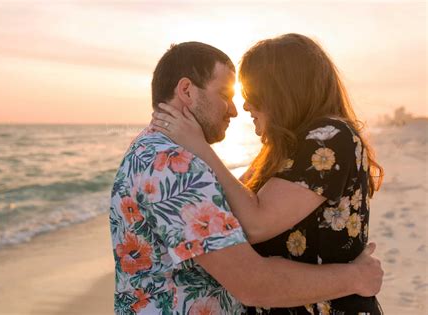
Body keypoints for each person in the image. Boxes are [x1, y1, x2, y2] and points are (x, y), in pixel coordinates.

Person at [110, 41, 383, 314]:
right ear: (186, 91)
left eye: (251, 93)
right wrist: (356, 277)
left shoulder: (154, 151)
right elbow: (253, 282)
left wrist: (201, 150)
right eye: (225, 95)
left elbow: (247, 214)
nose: (236, 108)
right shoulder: (172, 164)